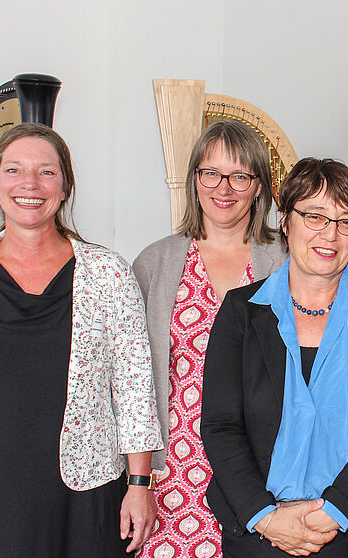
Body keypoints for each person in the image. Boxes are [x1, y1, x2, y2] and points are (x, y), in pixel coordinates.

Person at [0, 123, 162, 557]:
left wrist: (139, 484)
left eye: (47, 172)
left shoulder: (109, 273)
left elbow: (134, 387)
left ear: (65, 187)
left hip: (83, 490)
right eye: (14, 170)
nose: (30, 184)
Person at [201, 158, 348, 556]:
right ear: (285, 220)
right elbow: (220, 425)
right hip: (259, 532)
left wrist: (334, 511)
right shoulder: (241, 312)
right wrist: (266, 518)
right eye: (315, 216)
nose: (330, 234)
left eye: (345, 221)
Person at [132, 119, 287, 558]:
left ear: (259, 186)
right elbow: (130, 383)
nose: (225, 188)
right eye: (211, 173)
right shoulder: (154, 263)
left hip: (259, 465)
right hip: (174, 468)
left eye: (240, 175)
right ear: (194, 180)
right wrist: (137, 479)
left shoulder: (287, 260)